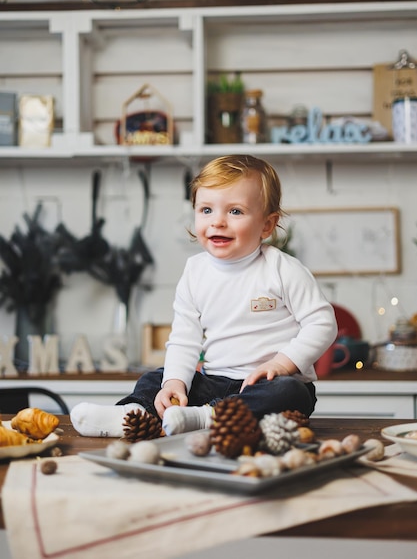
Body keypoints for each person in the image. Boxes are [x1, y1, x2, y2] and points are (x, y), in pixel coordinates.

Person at [70, 154, 337, 438]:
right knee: (157, 377)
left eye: (235, 211)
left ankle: (206, 417)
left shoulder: (282, 269)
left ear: (267, 225)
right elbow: (185, 338)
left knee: (291, 392)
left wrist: (282, 364)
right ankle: (131, 415)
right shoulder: (195, 271)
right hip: (214, 383)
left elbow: (322, 324)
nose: (218, 222)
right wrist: (174, 383)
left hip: (267, 384)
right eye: (206, 210)